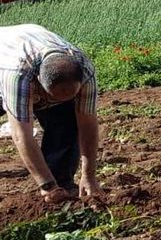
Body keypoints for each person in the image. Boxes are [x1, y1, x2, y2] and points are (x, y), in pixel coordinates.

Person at [0, 24, 105, 204]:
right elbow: (21, 135)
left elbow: (87, 123)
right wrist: (46, 185)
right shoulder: (19, 74)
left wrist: (89, 176)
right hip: (6, 59)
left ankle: (60, 186)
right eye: (52, 97)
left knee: (66, 121)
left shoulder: (84, 70)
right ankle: (51, 187)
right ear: (39, 82)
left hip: (31, 44)